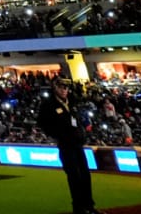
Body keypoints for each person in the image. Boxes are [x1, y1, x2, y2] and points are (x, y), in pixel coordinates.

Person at [36, 80, 102, 214]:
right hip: (66, 145)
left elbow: (77, 120)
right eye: (61, 87)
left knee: (85, 175)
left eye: (65, 88)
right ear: (55, 88)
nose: (64, 90)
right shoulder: (49, 105)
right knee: (74, 176)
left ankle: (89, 205)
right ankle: (79, 208)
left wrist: (81, 132)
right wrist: (57, 134)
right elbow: (42, 123)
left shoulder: (71, 102)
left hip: (77, 143)